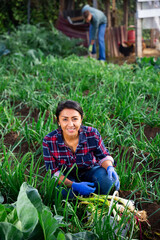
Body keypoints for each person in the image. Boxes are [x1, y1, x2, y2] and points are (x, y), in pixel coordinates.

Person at [43, 100, 120, 198]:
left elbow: (103, 156)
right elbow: (54, 173)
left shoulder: (92, 134)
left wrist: (109, 167)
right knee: (60, 192)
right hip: (67, 177)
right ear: (58, 121)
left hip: (91, 171)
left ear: (81, 119)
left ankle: (97, 197)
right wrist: (74, 186)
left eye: (75, 119)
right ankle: (82, 200)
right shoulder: (49, 141)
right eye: (65, 119)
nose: (70, 124)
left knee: (108, 181)